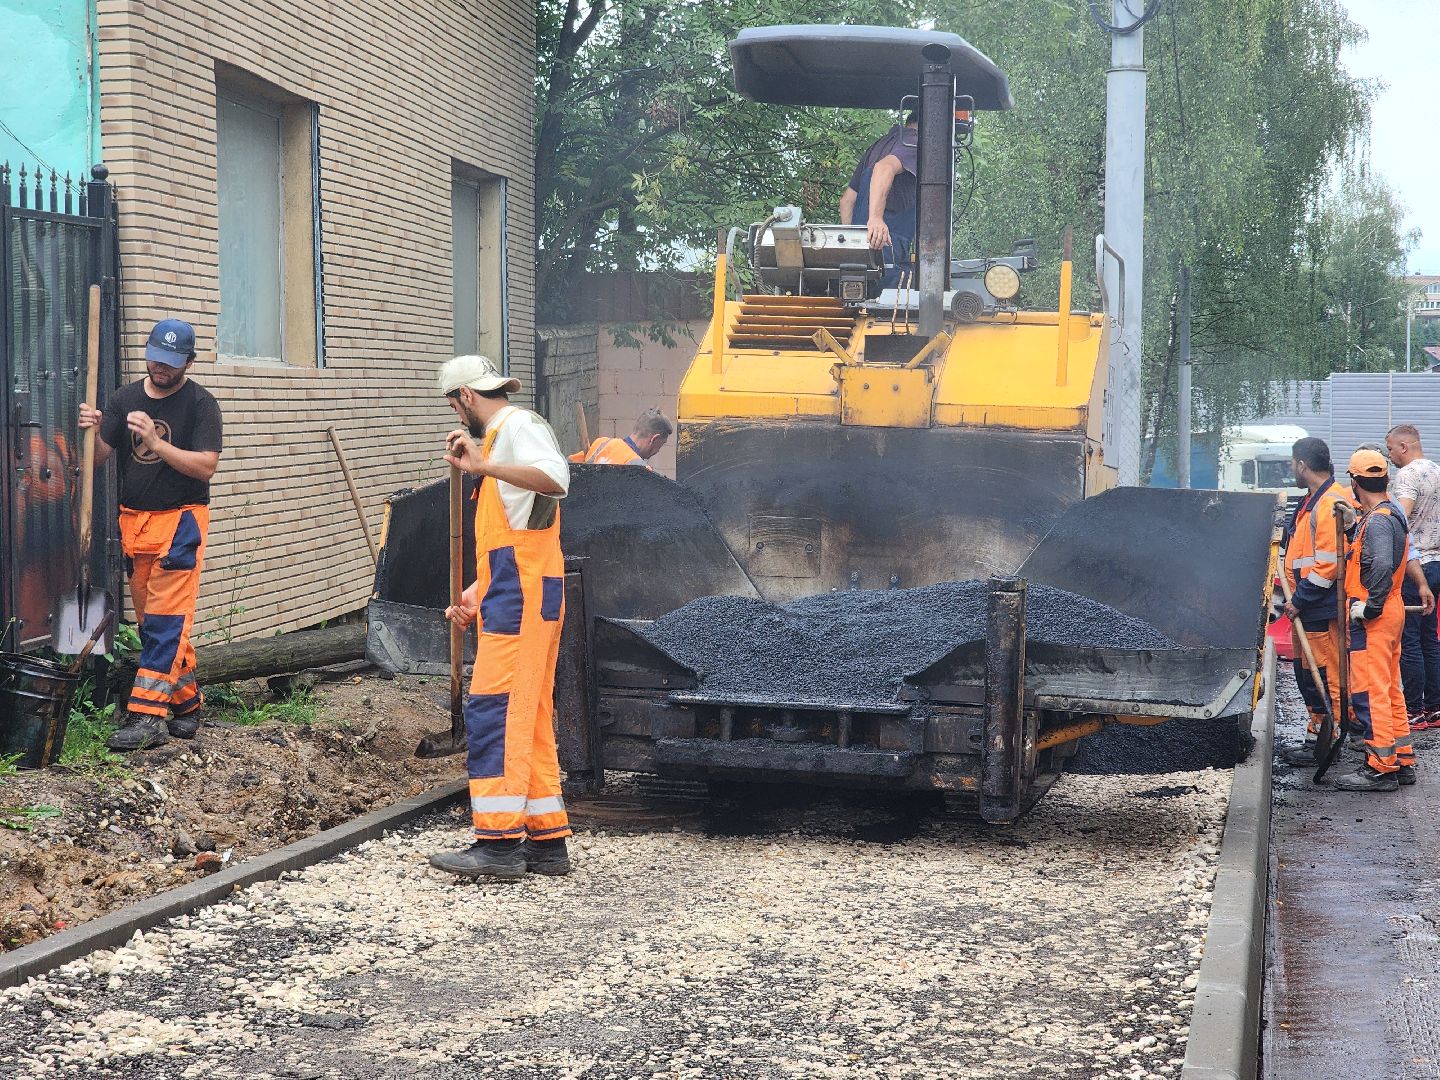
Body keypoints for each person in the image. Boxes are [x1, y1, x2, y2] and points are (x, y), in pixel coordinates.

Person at [429, 354, 574, 880]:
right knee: (527, 715)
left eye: (452, 401)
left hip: (524, 593)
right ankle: (546, 841)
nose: (454, 411)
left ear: (465, 396)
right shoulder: (500, 438)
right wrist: (475, 593)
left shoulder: (517, 428)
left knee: (493, 710)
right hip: (518, 588)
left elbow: (555, 480)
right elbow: (514, 542)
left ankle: (498, 842)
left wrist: (482, 466)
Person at [77, 319, 222, 750]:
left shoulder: (201, 405)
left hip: (181, 522)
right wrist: (92, 430)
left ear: (189, 363)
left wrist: (158, 445)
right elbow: (99, 457)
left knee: (165, 621)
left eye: (172, 363)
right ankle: (189, 706)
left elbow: (206, 466)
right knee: (152, 624)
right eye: (157, 358)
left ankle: (147, 717)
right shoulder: (124, 398)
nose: (162, 368)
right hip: (134, 523)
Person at [1333, 448, 1415, 792]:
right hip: (1391, 611)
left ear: (1354, 481)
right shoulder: (1388, 513)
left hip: (1375, 615)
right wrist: (1353, 527)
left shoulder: (1379, 520)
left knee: (1372, 690)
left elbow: (1379, 564)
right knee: (1391, 687)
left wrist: (1370, 606)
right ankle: (1401, 759)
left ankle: (1380, 766)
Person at [1278, 438, 1349, 766]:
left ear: (1302, 465)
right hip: (1305, 605)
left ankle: (1330, 739)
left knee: (1324, 672)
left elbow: (1329, 564)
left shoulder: (1329, 503)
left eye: (1294, 463)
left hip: (1316, 604)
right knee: (1307, 674)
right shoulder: (1311, 500)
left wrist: (1301, 599)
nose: (1292, 468)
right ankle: (1314, 737)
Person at [1385, 423, 1440, 729]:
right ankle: (1434, 707)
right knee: (1430, 638)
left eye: (1391, 449)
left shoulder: (1407, 476)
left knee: (1410, 640)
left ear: (1404, 447)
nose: (1390, 455)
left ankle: (1413, 710)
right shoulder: (1437, 470)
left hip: (1415, 567)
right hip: (1438, 564)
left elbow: (1400, 519)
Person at [839, 113, 918, 289]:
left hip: (861, 255)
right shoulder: (914, 142)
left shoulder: (878, 146)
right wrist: (875, 219)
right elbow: (883, 168)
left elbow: (846, 201)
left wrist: (854, 243)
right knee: (899, 307)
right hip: (887, 246)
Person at [570, 408, 672, 467]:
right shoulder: (640, 469)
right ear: (654, 439)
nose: (658, 451)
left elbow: (567, 464)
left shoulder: (601, 443)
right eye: (661, 445)